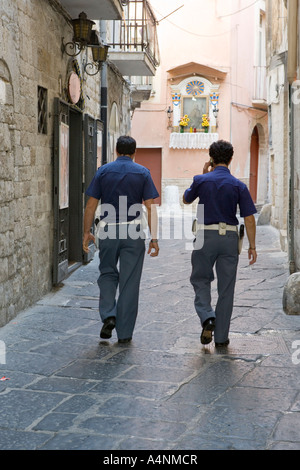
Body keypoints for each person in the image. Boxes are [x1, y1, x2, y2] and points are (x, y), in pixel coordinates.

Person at [83, 136, 159, 344]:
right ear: (135, 152)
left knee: (107, 273)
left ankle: (108, 315)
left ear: (116, 151)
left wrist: (86, 233)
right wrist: (154, 238)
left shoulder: (104, 171)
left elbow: (91, 205)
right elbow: (151, 206)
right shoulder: (143, 172)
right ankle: (124, 334)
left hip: (107, 231)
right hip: (133, 232)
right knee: (130, 282)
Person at [183, 140, 257, 347]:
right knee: (226, 289)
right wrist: (252, 246)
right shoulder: (238, 185)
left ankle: (207, 316)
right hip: (229, 239)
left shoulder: (201, 180)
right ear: (231, 158)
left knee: (200, 279)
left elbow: (186, 199)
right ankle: (222, 337)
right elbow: (249, 218)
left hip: (205, 236)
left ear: (211, 158)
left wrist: (203, 173)